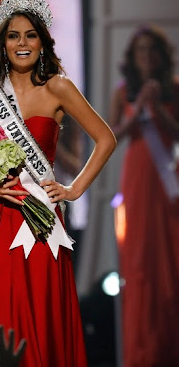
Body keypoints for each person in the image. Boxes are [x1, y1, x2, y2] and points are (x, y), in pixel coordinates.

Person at [0, 0, 116, 367]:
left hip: (38, 217)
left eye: (30, 35)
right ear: (2, 42)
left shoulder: (58, 87)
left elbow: (106, 139)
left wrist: (73, 190)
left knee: (37, 309)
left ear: (42, 42)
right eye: (13, 35)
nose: (22, 44)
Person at [109, 25, 179, 366]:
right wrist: (137, 111)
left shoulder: (174, 90)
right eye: (141, 51)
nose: (147, 57)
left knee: (171, 261)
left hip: (168, 183)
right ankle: (142, 352)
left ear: (161, 56)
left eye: (152, 50)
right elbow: (109, 137)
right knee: (139, 264)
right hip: (137, 181)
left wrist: (159, 108)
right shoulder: (123, 93)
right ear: (132, 59)